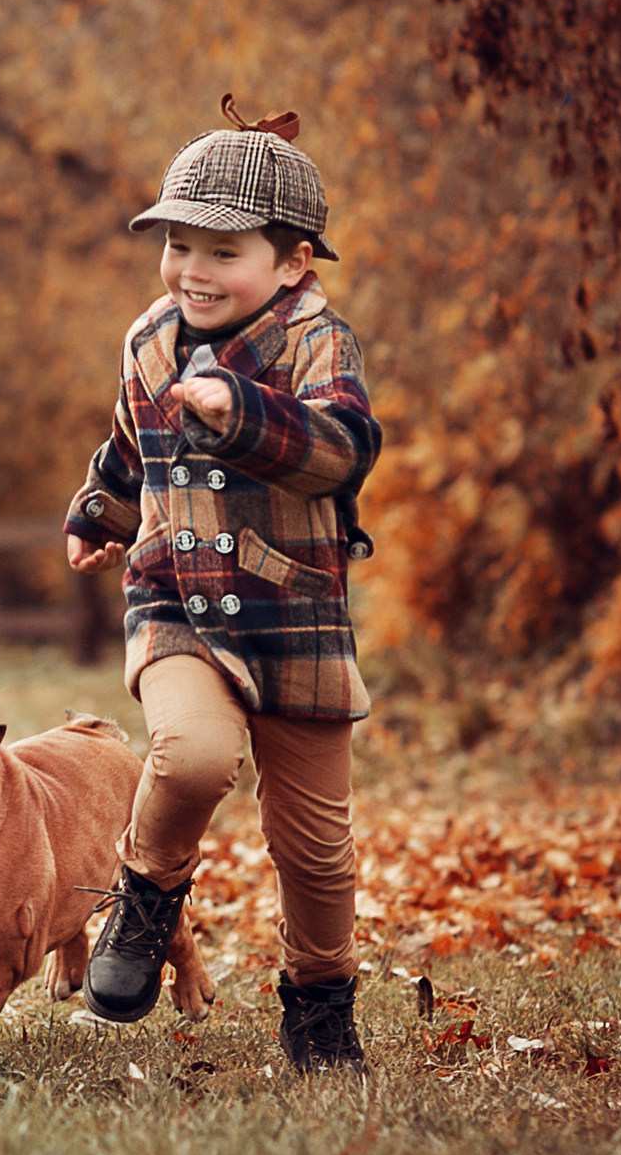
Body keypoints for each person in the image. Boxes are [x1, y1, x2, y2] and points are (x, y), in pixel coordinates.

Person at [61, 96, 381, 1072]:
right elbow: (131, 445)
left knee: (315, 848)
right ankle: (144, 897)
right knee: (193, 755)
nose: (192, 269)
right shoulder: (149, 340)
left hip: (294, 614)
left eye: (222, 250)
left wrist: (241, 409)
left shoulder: (317, 343)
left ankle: (319, 1002)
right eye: (178, 245)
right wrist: (102, 512)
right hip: (177, 600)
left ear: (291, 261)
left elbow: (342, 449)